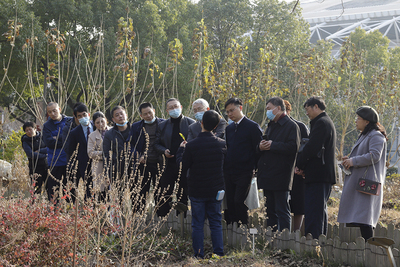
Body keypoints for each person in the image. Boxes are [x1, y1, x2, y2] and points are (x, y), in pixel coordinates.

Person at [176, 110, 226, 258]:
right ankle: (218, 253)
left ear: (201, 123)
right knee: (215, 221)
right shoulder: (222, 144)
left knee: (197, 223)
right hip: (216, 189)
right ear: (216, 126)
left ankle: (198, 254)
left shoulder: (192, 145)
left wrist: (180, 150)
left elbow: (182, 166)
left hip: (197, 189)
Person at [337, 106, 387, 240]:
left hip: (367, 185)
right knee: (361, 219)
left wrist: (353, 161)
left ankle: (370, 251)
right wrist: (349, 160)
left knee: (366, 220)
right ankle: (366, 250)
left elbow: (375, 155)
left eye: (358, 118)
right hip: (360, 184)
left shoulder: (376, 135)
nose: (356, 121)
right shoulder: (365, 135)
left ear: (367, 121)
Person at [295, 96, 337, 238]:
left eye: (308, 109)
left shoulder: (321, 123)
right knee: (319, 210)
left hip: (319, 174)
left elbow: (312, 148)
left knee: (314, 210)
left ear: (316, 107)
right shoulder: (324, 122)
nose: (306, 113)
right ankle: (319, 240)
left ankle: (314, 242)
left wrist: (300, 164)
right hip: (321, 174)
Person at [257, 97, 300, 232]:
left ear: (279, 108)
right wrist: (261, 147)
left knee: (282, 209)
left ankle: (285, 240)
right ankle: (272, 238)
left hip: (282, 174)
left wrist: (273, 145)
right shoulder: (271, 125)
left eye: (269, 109)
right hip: (268, 173)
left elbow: (294, 147)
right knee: (270, 210)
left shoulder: (291, 126)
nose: (268, 112)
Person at [223, 97, 263, 225]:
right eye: (227, 112)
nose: (230, 114)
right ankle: (231, 229)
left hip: (244, 171)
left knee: (238, 201)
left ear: (240, 108)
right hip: (228, 171)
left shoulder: (252, 127)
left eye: (232, 110)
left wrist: (254, 168)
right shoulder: (229, 129)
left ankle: (242, 228)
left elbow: (258, 149)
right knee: (229, 201)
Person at [154, 98, 195, 217]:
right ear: (167, 111)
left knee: (183, 193)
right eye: (171, 108)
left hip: (184, 164)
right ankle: (164, 220)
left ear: (181, 107)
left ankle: (183, 219)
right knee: (165, 193)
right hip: (168, 164)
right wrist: (164, 151)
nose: (174, 109)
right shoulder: (162, 125)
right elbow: (156, 144)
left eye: (176, 106)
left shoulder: (190, 123)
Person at [129, 102, 165, 211]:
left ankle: (161, 218)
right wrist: (137, 155)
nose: (148, 115)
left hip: (160, 163)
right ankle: (139, 220)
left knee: (160, 192)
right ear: (141, 116)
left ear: (154, 111)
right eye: (145, 114)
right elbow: (130, 144)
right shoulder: (136, 127)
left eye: (150, 112)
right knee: (140, 192)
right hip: (143, 164)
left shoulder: (164, 124)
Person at [284, 100, 309, 232]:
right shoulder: (274, 126)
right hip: (281, 172)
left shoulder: (300, 126)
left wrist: (299, 166)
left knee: (298, 203)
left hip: (297, 172)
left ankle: (297, 231)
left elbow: (305, 149)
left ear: (288, 111)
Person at [42, 102, 71, 202]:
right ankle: (55, 211)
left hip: (69, 160)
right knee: (53, 189)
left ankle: (70, 209)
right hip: (54, 161)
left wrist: (57, 138)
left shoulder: (70, 121)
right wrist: (64, 139)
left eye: (54, 110)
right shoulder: (46, 126)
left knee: (69, 189)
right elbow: (49, 143)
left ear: (59, 109)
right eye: (49, 112)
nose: (52, 113)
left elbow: (72, 139)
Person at [66, 103, 94, 201]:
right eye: (79, 116)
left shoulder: (98, 125)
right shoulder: (74, 133)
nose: (83, 117)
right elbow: (70, 150)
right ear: (76, 117)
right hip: (83, 165)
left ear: (89, 114)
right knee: (87, 190)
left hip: (98, 163)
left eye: (84, 115)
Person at [103, 106, 132, 186]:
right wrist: (107, 173)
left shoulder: (134, 129)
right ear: (113, 119)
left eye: (121, 114)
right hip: (117, 170)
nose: (120, 116)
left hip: (134, 168)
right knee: (119, 196)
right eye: (117, 115)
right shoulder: (109, 134)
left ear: (126, 115)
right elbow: (106, 155)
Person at [21, 121, 48, 198]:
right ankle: (35, 206)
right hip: (34, 167)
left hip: (46, 165)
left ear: (35, 129)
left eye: (30, 129)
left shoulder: (42, 137)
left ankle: (51, 206)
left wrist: (39, 151)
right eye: (26, 130)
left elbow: (48, 149)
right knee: (36, 188)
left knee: (49, 187)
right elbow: (30, 154)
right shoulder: (25, 141)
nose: (29, 132)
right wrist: (44, 155)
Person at [88, 111, 110, 202]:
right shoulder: (92, 136)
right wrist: (104, 153)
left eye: (102, 121)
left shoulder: (113, 131)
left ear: (106, 120)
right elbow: (90, 153)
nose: (101, 124)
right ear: (94, 124)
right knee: (101, 194)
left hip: (113, 165)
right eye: (97, 122)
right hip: (99, 167)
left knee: (113, 191)